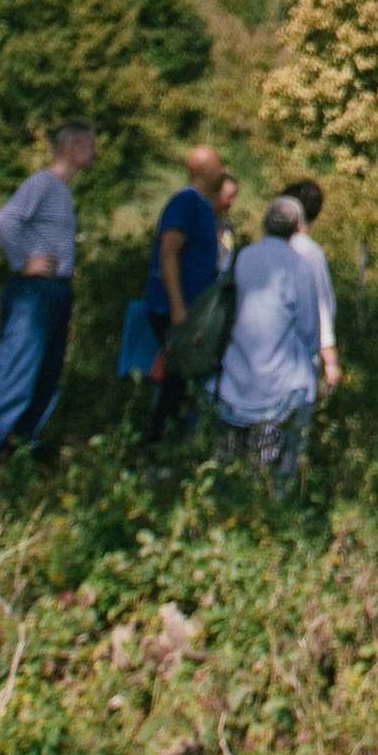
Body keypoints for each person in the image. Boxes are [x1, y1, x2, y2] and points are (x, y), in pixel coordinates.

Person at [0, 119, 96, 491]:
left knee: (46, 383)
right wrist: (23, 262)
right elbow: (5, 219)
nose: (95, 152)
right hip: (35, 294)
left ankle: (10, 465)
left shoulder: (62, 191)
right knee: (14, 379)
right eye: (90, 145)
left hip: (55, 293)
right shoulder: (44, 183)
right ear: (73, 147)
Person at [212, 195, 322, 497]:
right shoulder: (299, 266)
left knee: (229, 463)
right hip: (281, 382)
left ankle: (226, 503)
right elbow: (310, 330)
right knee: (277, 467)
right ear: (296, 228)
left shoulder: (244, 255)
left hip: (238, 374)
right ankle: (275, 502)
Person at [144, 143, 227, 445]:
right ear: (205, 170)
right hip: (173, 309)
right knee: (175, 379)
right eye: (220, 165)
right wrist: (178, 309)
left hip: (191, 309)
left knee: (181, 381)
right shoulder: (186, 202)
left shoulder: (203, 206)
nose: (224, 171)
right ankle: (157, 450)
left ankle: (173, 446)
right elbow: (168, 253)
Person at [279, 177, 341, 394]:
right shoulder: (309, 252)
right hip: (298, 358)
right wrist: (331, 360)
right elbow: (322, 306)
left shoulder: (267, 245)